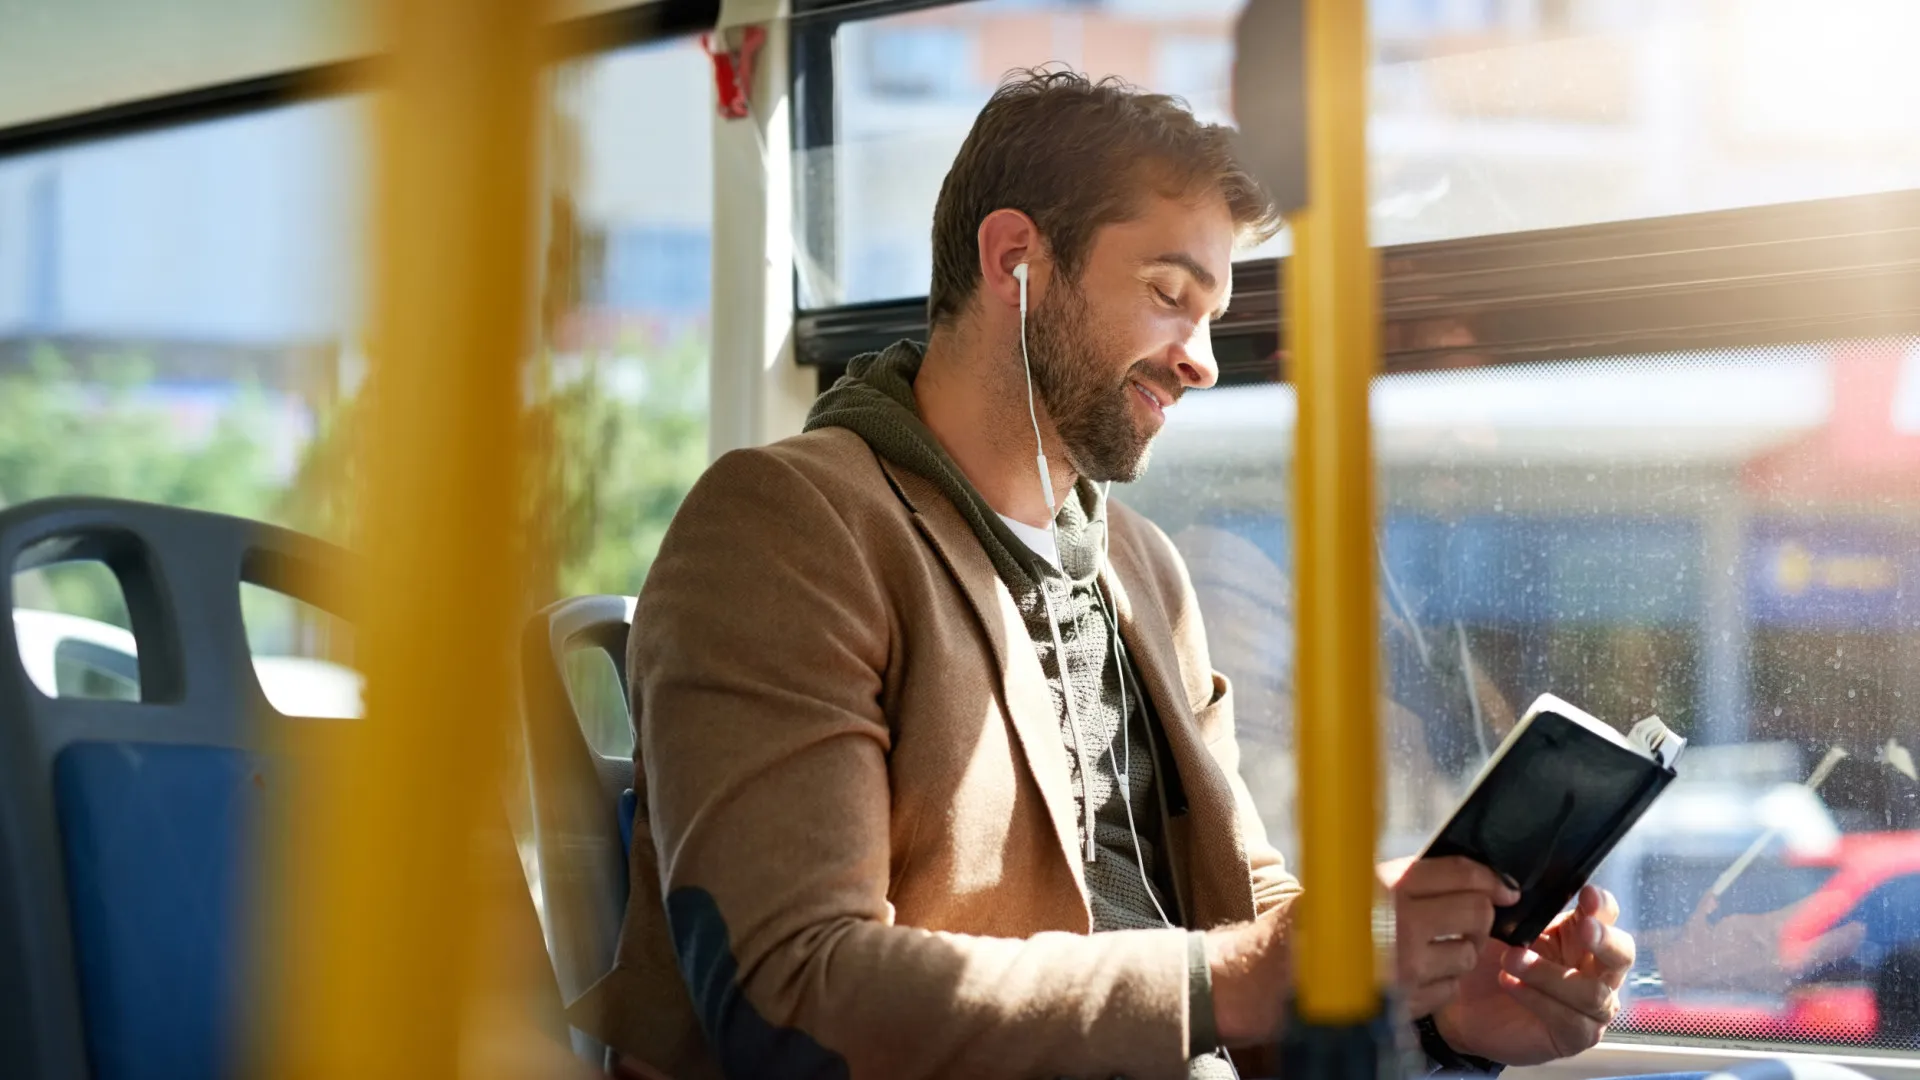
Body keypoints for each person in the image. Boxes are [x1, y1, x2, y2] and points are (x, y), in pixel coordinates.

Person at [572, 68, 1633, 1080]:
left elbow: (1249, 920)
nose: (1202, 359)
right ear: (1015, 260)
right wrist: (1254, 975)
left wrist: (1437, 1013)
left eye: (1212, 317)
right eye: (1173, 293)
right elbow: (793, 993)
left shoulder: (1142, 571)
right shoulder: (790, 527)